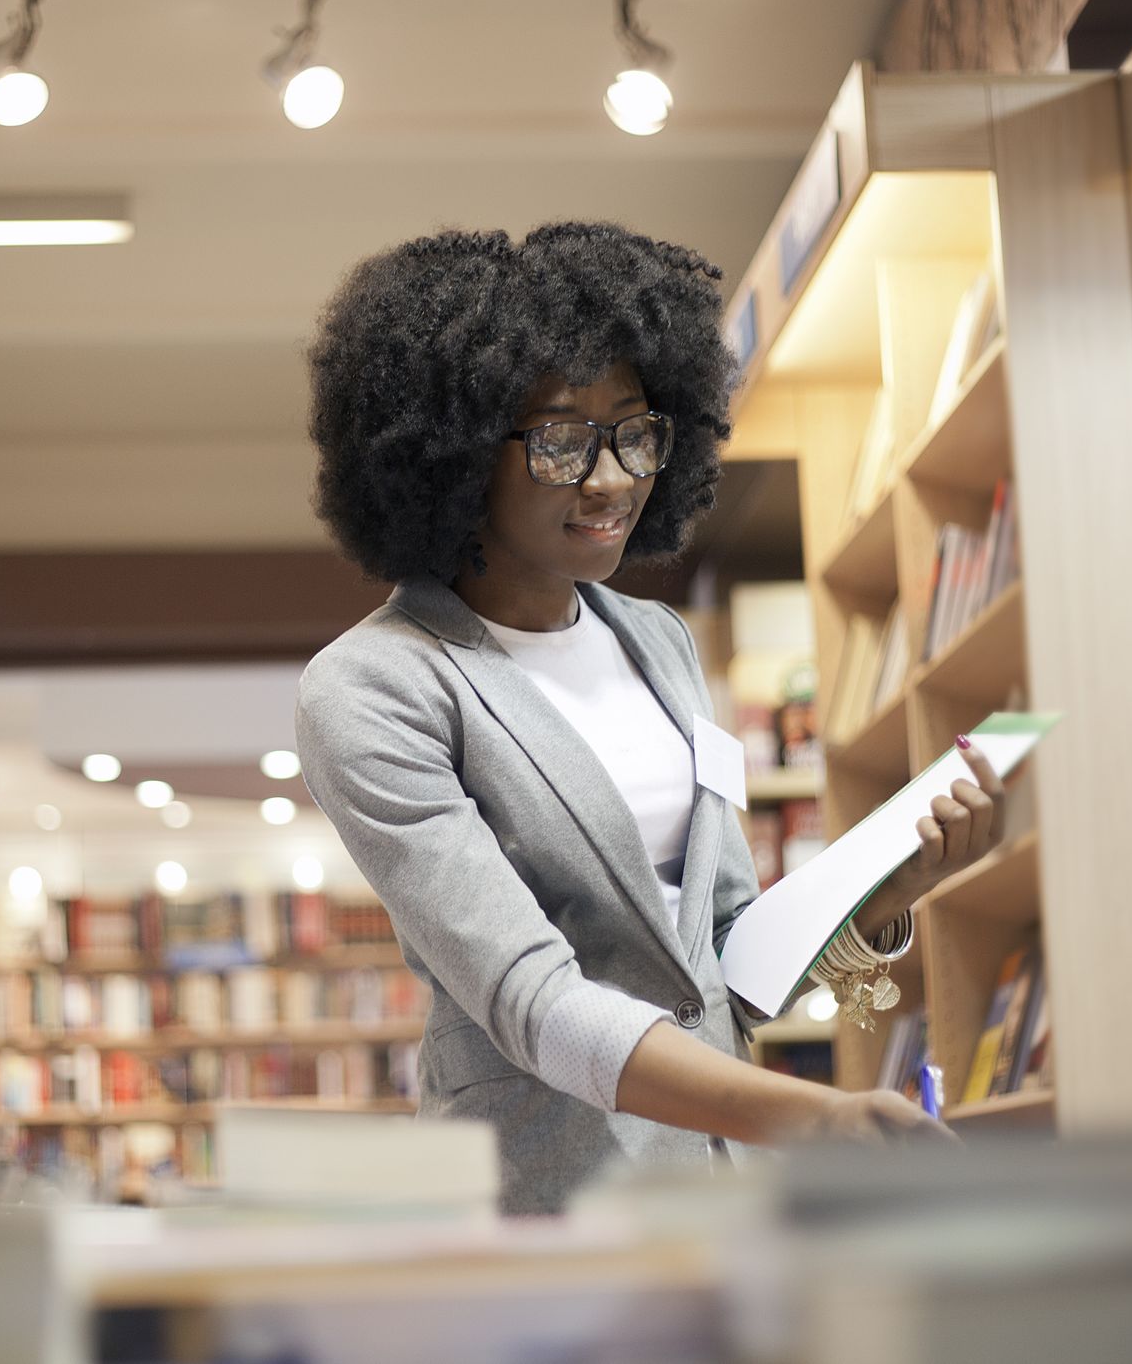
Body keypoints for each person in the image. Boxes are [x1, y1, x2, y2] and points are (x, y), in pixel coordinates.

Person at [295, 223, 1003, 1215]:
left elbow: (717, 966)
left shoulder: (659, 644)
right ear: (451, 458)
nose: (612, 477)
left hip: (719, 1194)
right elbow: (532, 1002)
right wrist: (807, 1116)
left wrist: (884, 893)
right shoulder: (376, 687)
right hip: (543, 1210)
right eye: (558, 440)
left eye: (634, 431)